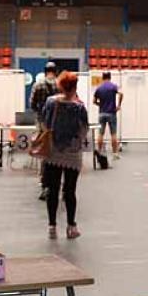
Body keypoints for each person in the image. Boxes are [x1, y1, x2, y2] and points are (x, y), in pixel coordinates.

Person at [40, 71, 89, 240]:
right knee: (70, 191)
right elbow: (84, 130)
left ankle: (52, 227)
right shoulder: (80, 107)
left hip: (53, 151)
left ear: (60, 86)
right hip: (72, 153)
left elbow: (45, 123)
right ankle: (71, 226)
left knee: (52, 190)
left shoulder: (51, 102)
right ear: (75, 86)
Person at [30, 62, 59, 200]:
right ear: (55, 71)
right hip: (58, 124)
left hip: (43, 124)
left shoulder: (38, 85)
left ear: (45, 71)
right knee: (59, 152)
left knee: (44, 153)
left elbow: (32, 104)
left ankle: (44, 182)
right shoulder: (61, 84)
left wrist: (41, 114)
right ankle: (60, 184)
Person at [93, 71, 122, 155]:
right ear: (110, 77)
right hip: (112, 113)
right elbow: (121, 94)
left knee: (100, 134)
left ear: (102, 77)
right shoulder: (113, 86)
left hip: (102, 113)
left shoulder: (99, 88)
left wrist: (100, 105)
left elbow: (94, 101)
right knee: (113, 134)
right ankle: (115, 153)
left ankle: (99, 151)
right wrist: (118, 105)